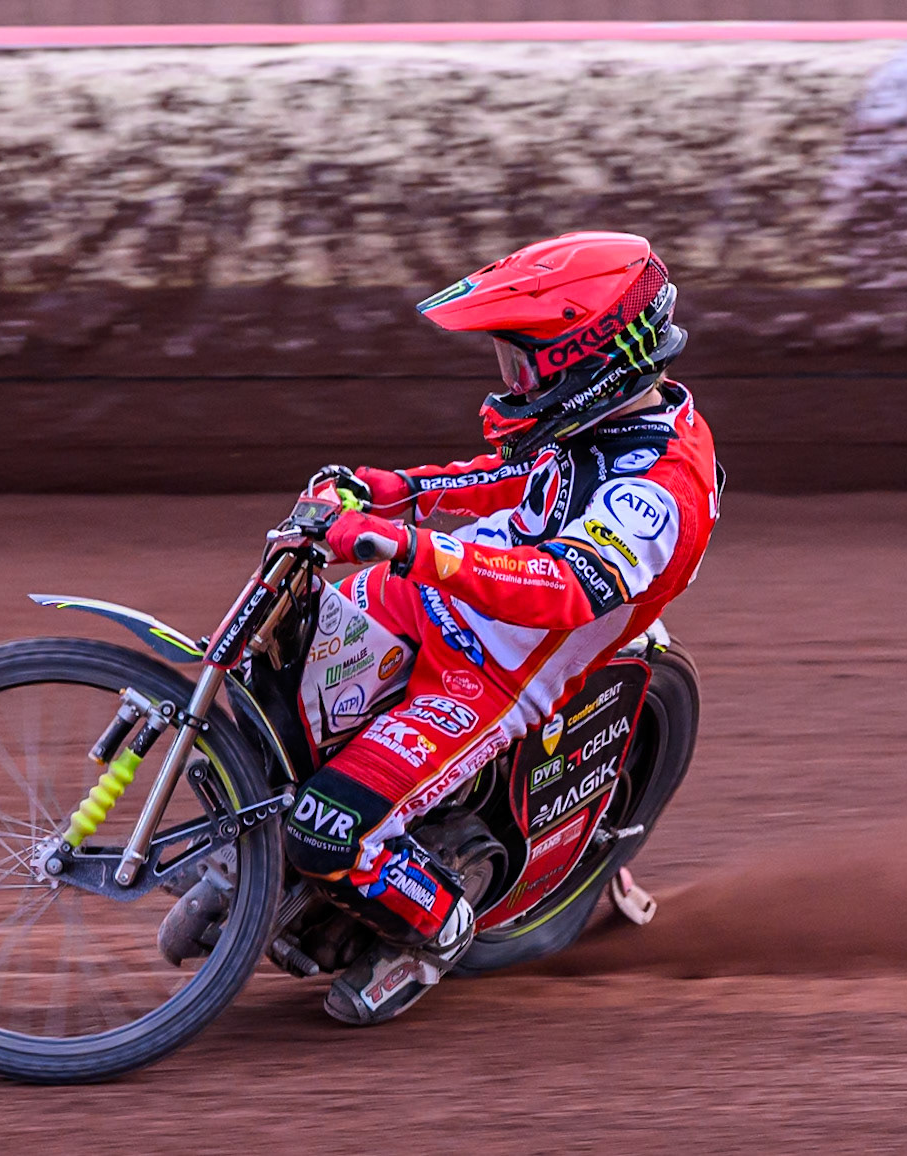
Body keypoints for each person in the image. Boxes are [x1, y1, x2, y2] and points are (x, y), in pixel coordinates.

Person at [282, 231, 724, 1026]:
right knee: (273, 674)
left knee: (325, 826)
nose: (508, 382)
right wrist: (390, 492)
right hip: (416, 601)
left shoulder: (657, 490)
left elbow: (558, 590)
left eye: (522, 362)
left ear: (588, 358)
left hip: (489, 673)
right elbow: (510, 477)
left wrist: (415, 545)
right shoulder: (601, 426)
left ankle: (435, 931)